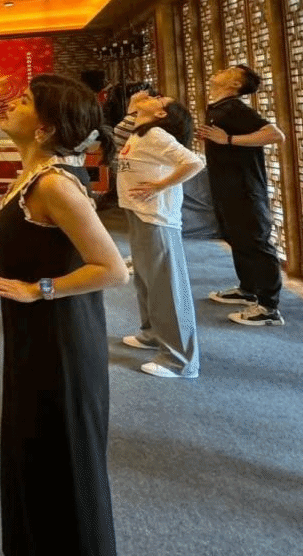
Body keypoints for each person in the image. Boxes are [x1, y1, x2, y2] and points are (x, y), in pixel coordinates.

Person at [0, 74, 129, 556]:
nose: (11, 105)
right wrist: (17, 259)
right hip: (35, 332)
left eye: (23, 101)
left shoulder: (54, 184)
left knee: (60, 453)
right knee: (34, 447)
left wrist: (38, 287)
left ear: (43, 129)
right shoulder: (35, 175)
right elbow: (57, 244)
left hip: (61, 339)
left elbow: (112, 269)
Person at [116, 94, 204, 378]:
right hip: (138, 212)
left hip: (157, 218)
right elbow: (125, 123)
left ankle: (180, 361)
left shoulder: (156, 134)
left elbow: (194, 163)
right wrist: (135, 105)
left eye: (158, 98)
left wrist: (159, 185)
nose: (151, 96)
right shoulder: (140, 132)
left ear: (162, 114)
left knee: (166, 287)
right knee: (146, 280)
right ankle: (152, 333)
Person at [196, 65, 287, 327]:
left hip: (246, 188)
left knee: (256, 241)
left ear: (235, 84)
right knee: (238, 238)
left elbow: (275, 134)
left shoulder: (235, 107)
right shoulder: (219, 107)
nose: (221, 70)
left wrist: (229, 140)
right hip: (226, 186)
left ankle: (269, 307)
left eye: (230, 70)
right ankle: (248, 289)